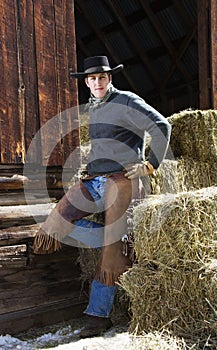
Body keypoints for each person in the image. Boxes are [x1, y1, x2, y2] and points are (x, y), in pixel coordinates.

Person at [33, 56, 171, 337]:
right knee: (55, 224)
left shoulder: (127, 100)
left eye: (102, 77)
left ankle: (98, 317)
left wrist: (149, 164)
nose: (97, 82)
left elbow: (162, 126)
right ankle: (119, 242)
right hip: (93, 180)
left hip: (122, 181)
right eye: (92, 79)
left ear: (110, 78)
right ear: (86, 82)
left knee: (110, 253)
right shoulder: (94, 107)